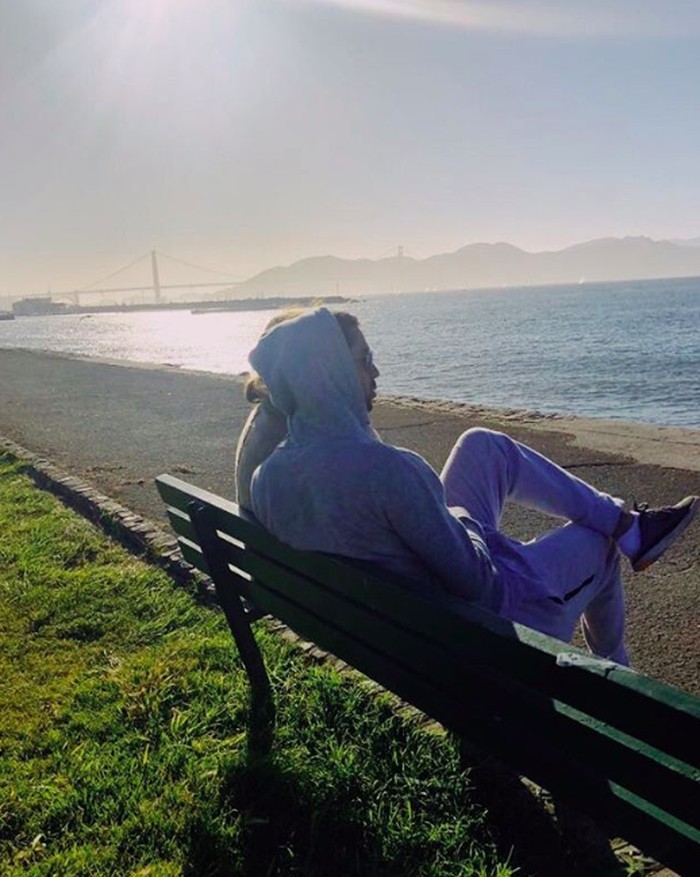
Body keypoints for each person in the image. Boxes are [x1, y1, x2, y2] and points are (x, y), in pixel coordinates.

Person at [245, 307, 699, 666]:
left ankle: (629, 525)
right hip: (490, 635)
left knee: (482, 446)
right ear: (332, 375)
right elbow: (481, 587)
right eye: (364, 361)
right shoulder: (390, 471)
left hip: (409, 640)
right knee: (600, 544)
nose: (377, 371)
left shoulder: (268, 480)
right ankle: (617, 672)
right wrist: (459, 517)